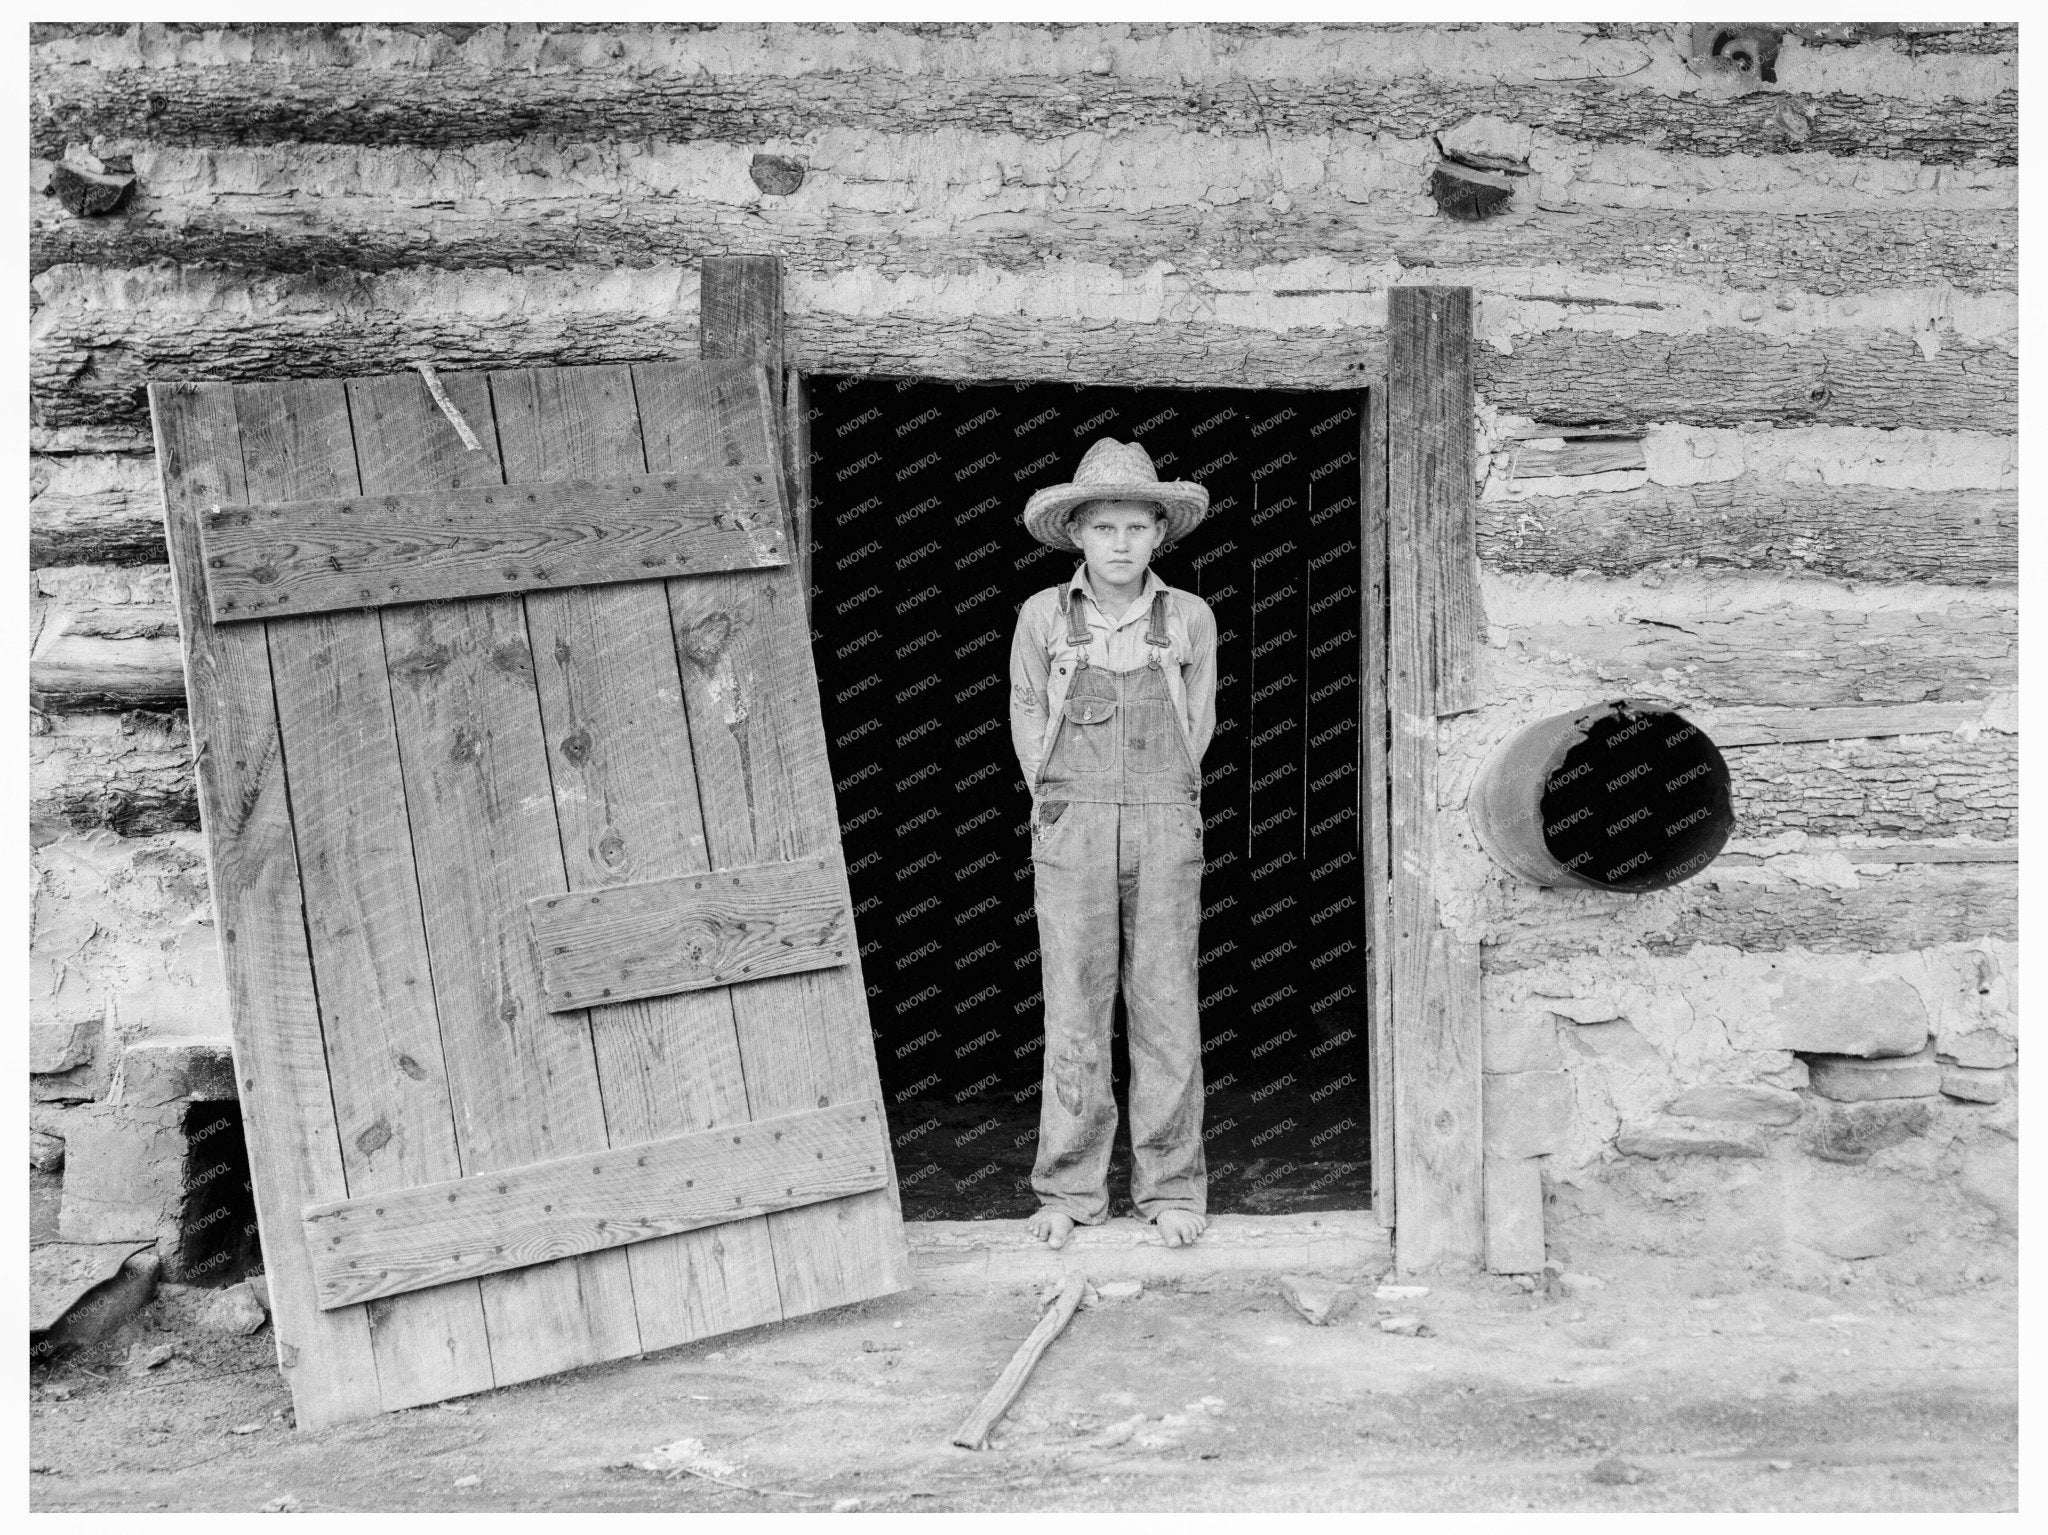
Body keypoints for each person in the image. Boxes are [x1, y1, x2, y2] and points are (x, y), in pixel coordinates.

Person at [1007, 437, 1219, 1249]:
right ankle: (1068, 1189)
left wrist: (1159, 800)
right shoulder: (1043, 616)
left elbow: (1197, 726)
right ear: (1078, 534)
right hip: (1075, 823)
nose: (1121, 543)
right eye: (1105, 528)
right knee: (1074, 1006)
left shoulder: (1189, 617)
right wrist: (1059, 804)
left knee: (1166, 1006)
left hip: (1164, 819)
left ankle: (1171, 1188)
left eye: (1136, 527)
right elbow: (1029, 713)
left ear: (1160, 532)